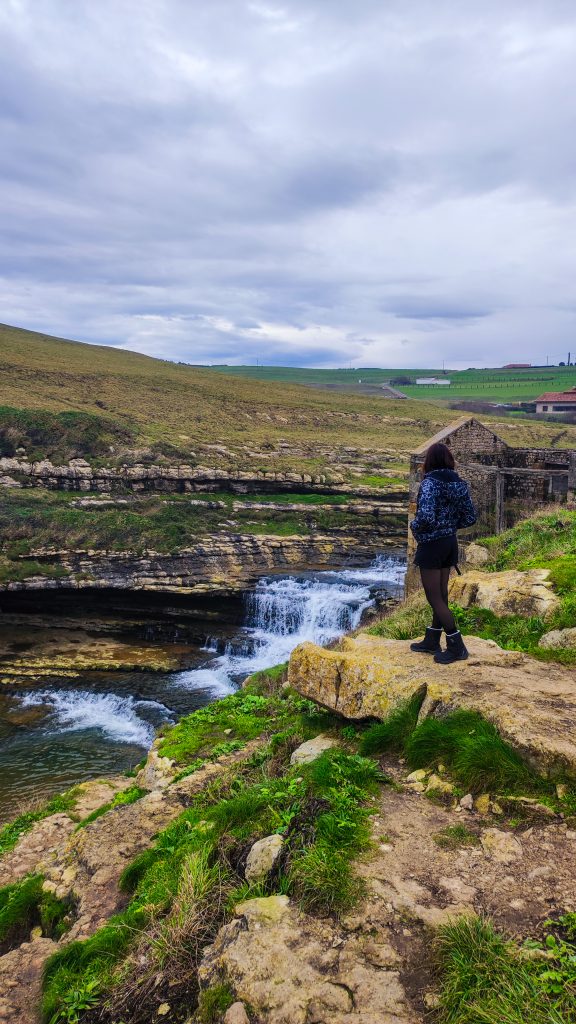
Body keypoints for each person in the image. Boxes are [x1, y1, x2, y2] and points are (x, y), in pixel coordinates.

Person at [409, 442, 477, 663]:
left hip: (431, 544)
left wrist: (415, 527)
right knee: (442, 593)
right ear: (449, 460)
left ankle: (456, 646)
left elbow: (426, 517)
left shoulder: (430, 483)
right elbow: (470, 518)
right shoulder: (459, 483)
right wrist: (449, 525)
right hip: (449, 542)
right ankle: (431, 640)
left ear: (429, 461)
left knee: (434, 596)